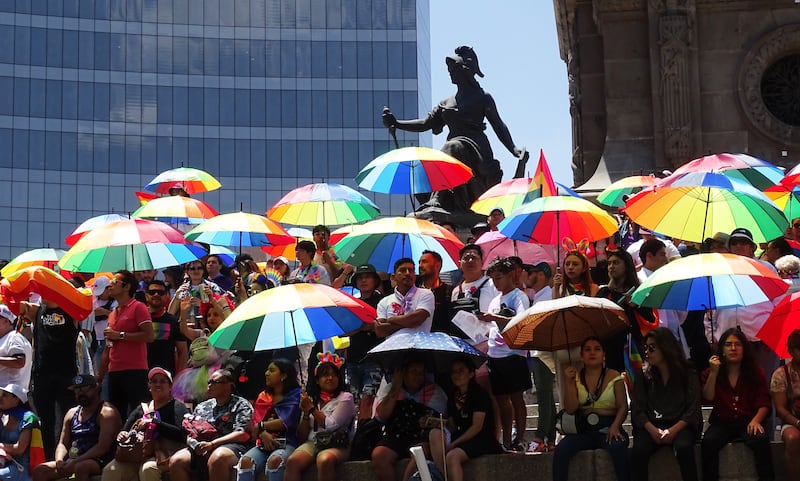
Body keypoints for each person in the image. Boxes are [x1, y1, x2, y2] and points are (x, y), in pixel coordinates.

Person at [382, 46, 528, 213]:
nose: (450, 72)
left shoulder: (482, 98)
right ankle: (437, 196)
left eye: (453, 68)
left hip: (476, 150)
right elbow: (425, 123)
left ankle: (437, 198)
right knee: (431, 159)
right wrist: (397, 123)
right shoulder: (446, 103)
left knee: (452, 146)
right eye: (449, 69)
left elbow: (499, 126)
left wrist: (514, 149)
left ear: (465, 69)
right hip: (453, 153)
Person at [701, 328, 774, 481]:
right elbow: (708, 398)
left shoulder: (755, 372)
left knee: (760, 440)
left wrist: (756, 420)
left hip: (748, 420)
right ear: (722, 349)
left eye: (738, 344)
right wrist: (714, 373)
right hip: (722, 421)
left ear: (744, 348)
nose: (733, 348)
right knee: (708, 442)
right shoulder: (710, 372)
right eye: (728, 344)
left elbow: (764, 402)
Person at [630, 328, 702, 481]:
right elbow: (637, 408)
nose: (647, 352)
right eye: (645, 348)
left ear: (666, 347)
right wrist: (653, 430)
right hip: (651, 425)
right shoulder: (643, 375)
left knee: (684, 447)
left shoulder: (688, 372)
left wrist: (672, 431)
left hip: (680, 424)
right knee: (639, 450)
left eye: (652, 347)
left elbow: (693, 408)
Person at [553, 337, 629, 481]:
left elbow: (623, 407)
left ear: (603, 354)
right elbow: (570, 409)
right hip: (583, 429)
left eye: (597, 349)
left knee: (618, 448)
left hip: (608, 426)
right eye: (587, 350)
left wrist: (615, 427)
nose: (592, 353)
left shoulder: (614, 376)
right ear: (581, 356)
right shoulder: (576, 377)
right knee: (562, 449)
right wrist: (569, 383)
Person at [101, 367, 191, 481]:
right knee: (110, 470)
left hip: (165, 454)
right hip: (138, 454)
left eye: (163, 381)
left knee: (148, 469)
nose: (158, 384)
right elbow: (125, 429)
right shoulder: (142, 408)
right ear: (149, 387)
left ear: (170, 386)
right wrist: (122, 434)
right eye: (154, 381)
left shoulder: (178, 406)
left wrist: (155, 422)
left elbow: (180, 434)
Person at [479, 257, 530, 452]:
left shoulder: (519, 296)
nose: (496, 282)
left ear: (510, 275)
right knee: (501, 399)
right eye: (493, 279)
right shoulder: (494, 300)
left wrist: (494, 318)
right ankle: (506, 439)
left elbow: (521, 320)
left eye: (499, 277)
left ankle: (521, 437)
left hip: (513, 352)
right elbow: (494, 326)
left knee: (516, 397)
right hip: (495, 353)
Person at [32, 374, 121, 481]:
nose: (80, 393)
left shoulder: (106, 413)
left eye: (84, 389)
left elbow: (103, 447)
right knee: (40, 470)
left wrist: (76, 461)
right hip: (73, 460)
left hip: (99, 460)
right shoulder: (71, 413)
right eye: (77, 390)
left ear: (96, 388)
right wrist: (59, 460)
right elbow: (63, 443)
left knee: (82, 467)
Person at [169, 369, 253, 481]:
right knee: (177, 460)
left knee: (218, 458)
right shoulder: (202, 406)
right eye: (208, 382)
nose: (209, 385)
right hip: (202, 445)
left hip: (232, 446)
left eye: (214, 382)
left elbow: (242, 434)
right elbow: (190, 429)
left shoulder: (241, 405)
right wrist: (192, 442)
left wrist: (212, 444)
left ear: (229, 385)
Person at [21, 299, 79, 459]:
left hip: (66, 375)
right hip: (42, 375)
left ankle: (66, 460)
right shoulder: (37, 311)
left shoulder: (71, 310)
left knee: (66, 420)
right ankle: (48, 460)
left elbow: (85, 303)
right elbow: (16, 304)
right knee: (45, 421)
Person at [427, 356, 501, 481]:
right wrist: (435, 422)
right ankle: (444, 477)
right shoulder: (452, 395)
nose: (456, 375)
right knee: (434, 434)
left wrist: (455, 444)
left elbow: (477, 427)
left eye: (461, 371)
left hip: (481, 438)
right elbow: (453, 424)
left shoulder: (479, 394)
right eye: (454, 371)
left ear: (471, 374)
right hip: (461, 435)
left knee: (452, 456)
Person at [371, 359, 446, 481]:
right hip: (396, 434)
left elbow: (442, 420)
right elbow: (382, 415)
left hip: (420, 435)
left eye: (421, 372)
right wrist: (395, 388)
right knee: (379, 455)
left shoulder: (434, 391)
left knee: (419, 454)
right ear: (403, 373)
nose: (418, 376)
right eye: (413, 372)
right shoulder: (391, 388)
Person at [283, 354, 356, 481]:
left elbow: (330, 425)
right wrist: (306, 413)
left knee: (324, 459)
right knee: (292, 461)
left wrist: (311, 409)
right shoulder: (311, 399)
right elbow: (302, 435)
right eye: (325, 375)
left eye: (334, 375)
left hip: (337, 443)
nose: (330, 378)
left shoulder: (346, 398)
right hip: (313, 442)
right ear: (317, 380)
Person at [98, 270, 155, 418]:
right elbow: (108, 346)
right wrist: (100, 376)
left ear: (127, 287)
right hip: (114, 371)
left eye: (115, 282)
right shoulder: (112, 313)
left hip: (135, 370)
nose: (110, 285)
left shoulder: (138, 307)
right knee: (116, 415)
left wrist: (121, 335)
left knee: (139, 413)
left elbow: (149, 336)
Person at [235, 359, 301, 481]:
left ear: (284, 375)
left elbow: (287, 422)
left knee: (275, 460)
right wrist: (263, 433)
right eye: (267, 370)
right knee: (245, 462)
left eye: (271, 370)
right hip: (263, 444)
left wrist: (261, 426)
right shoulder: (263, 396)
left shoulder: (296, 395)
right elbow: (255, 423)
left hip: (288, 442)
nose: (266, 373)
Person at [595, 249, 658, 372]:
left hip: (632, 350)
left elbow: (651, 319)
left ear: (627, 266)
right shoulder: (604, 293)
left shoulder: (638, 293)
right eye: (609, 263)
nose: (611, 267)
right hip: (608, 350)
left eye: (616, 263)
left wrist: (636, 306)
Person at [343, 265, 383, 420]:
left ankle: (363, 436)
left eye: (367, 277)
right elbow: (343, 331)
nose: (364, 280)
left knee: (368, 399)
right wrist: (364, 326)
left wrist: (360, 326)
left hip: (374, 359)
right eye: (360, 277)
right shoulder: (352, 303)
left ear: (375, 280)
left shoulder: (382, 301)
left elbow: (381, 326)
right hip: (353, 358)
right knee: (353, 402)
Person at [374, 258, 435, 339]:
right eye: (402, 270)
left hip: (418, 347)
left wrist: (391, 320)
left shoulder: (426, 294)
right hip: (393, 348)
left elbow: (416, 319)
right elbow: (380, 331)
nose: (407, 273)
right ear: (393, 277)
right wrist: (407, 321)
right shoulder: (384, 301)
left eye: (411, 270)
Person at [770, 328, 800, 481]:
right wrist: (797, 422)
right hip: (792, 421)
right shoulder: (781, 374)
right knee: (793, 438)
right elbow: (780, 409)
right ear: (790, 351)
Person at [144, 280, 188, 376]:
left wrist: (179, 377)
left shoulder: (173, 321)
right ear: (146, 296)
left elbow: (183, 351)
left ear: (167, 295)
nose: (156, 294)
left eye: (161, 292)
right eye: (152, 292)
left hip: (166, 376)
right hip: (140, 374)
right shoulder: (138, 319)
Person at [0, 383, 40, 481]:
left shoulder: (27, 418)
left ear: (16, 399)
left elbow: (19, 449)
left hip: (20, 468)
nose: (0, 398)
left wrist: (0, 446)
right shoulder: (3, 416)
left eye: (5, 395)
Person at [417, 250, 453, 336]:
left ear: (437, 266)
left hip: (439, 341)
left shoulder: (448, 291)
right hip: (415, 339)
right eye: (419, 262)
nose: (420, 266)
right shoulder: (413, 289)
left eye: (424, 262)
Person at [0, 305, 31, 389]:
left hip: (11, 394)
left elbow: (20, 361)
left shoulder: (14, 337)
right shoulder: (5, 338)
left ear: (6, 321)